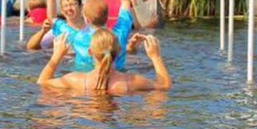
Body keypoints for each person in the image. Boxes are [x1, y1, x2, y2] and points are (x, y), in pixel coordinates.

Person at [38, 28, 171, 94]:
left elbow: (42, 83)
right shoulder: (131, 82)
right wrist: (156, 57)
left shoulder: (75, 80)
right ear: (119, 51)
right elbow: (165, 87)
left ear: (90, 52)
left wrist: (56, 56)